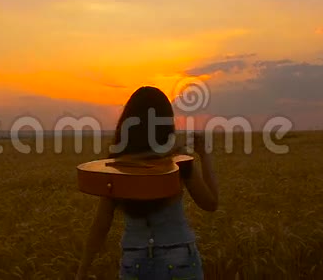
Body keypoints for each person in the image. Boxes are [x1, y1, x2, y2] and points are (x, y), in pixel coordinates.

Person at [75, 86, 219, 280]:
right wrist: (204, 154)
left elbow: (101, 225)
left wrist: (82, 270)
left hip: (135, 259)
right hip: (179, 257)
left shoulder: (118, 167)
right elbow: (211, 203)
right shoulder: (178, 163)